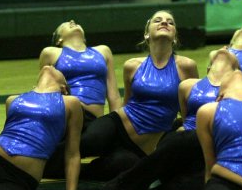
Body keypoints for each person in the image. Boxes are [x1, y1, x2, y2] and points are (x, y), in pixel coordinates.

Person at [96, 49, 242, 190]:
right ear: (208, 67)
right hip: (183, 144)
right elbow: (186, 116)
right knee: (183, 138)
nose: (224, 49)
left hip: (213, 149)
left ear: (238, 71)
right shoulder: (187, 85)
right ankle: (120, 187)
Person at [78, 10, 198, 178]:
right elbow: (128, 102)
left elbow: (193, 108)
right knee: (88, 142)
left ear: (175, 37)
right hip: (119, 124)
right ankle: (37, 161)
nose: (164, 23)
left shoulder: (187, 66)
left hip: (144, 146)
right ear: (147, 34)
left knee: (115, 167)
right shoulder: (131, 65)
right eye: (158, 20)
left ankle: (51, 169)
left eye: (170, 22)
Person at [39, 20, 122, 122]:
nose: (72, 21)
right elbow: (43, 94)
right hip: (65, 117)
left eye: (75, 22)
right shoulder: (50, 53)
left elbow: (114, 97)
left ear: (84, 38)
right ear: (58, 39)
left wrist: (117, 126)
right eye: (65, 24)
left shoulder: (103, 51)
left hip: (95, 121)